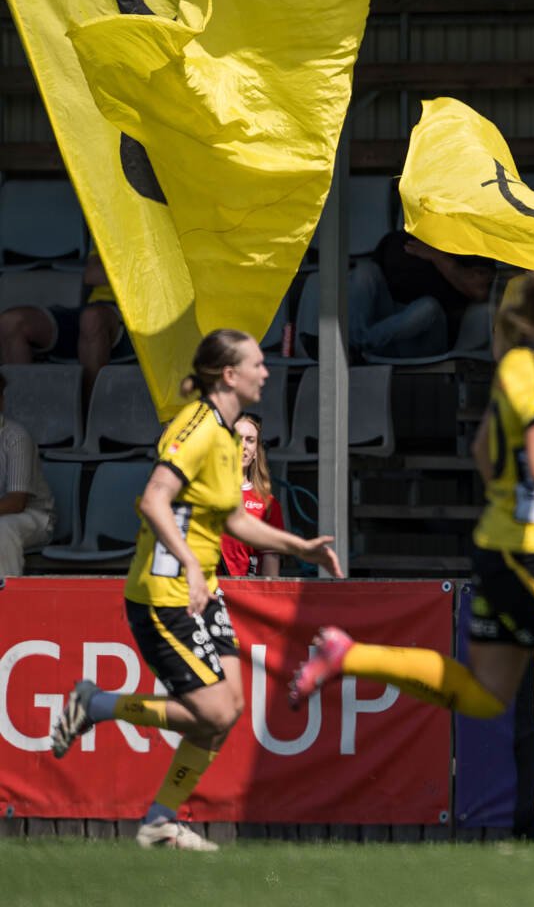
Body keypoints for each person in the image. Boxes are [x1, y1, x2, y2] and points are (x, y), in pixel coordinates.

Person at [289, 272, 534, 856]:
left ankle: (350, 654)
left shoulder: (516, 369)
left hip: (501, 545)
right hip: (527, 553)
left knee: (484, 695)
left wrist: (511, 496)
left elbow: (483, 451)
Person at [47, 330, 344, 851]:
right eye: (257, 363)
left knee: (227, 709)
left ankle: (161, 818)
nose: (266, 371)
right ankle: (96, 705)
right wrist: (186, 559)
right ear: (229, 375)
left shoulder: (230, 438)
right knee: (214, 711)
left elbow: (234, 519)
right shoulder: (199, 428)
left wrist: (301, 547)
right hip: (165, 593)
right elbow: (155, 501)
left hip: (201, 588)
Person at [0, 252, 132, 406]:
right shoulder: (113, 229)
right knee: (10, 322)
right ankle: (23, 410)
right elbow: (92, 274)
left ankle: (87, 414)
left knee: (92, 319)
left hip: (133, 313)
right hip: (93, 306)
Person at [349, 230, 493, 360]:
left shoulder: (469, 243)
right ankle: (357, 343)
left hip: (427, 336)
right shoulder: (397, 239)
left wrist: (435, 255)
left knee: (428, 306)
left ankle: (361, 344)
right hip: (388, 334)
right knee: (365, 270)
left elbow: (478, 290)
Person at [0, 371, 54, 577]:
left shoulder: (15, 437)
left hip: (35, 516)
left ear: (1, 401)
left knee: (2, 529)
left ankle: (6, 600)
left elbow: (16, 502)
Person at [216, 412, 283, 579]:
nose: (243, 445)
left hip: (246, 598)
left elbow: (270, 576)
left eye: (250, 440)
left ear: (256, 452)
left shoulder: (268, 504)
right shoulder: (200, 494)